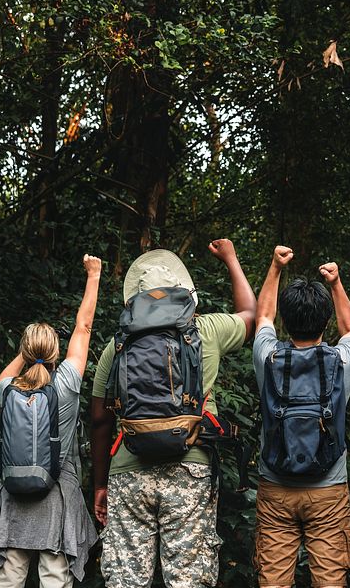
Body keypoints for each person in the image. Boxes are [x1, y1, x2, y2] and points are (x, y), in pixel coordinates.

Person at [90, 240, 256, 588]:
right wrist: (231, 259)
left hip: (128, 470)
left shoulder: (116, 344)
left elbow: (100, 419)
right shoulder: (206, 330)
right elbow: (251, 317)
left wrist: (101, 483)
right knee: (188, 580)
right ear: (184, 294)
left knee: (126, 581)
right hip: (190, 467)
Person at [0, 253, 103, 588]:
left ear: (25, 351)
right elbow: (84, 326)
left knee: (7, 580)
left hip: (13, 499)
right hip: (57, 499)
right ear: (55, 354)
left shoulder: (8, 390)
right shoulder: (65, 384)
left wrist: (27, 350)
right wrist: (94, 275)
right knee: (54, 580)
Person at [252, 245, 350, 588]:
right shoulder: (342, 360)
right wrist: (336, 283)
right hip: (328, 489)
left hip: (275, 486)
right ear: (325, 322)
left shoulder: (267, 356)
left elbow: (262, 317)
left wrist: (275, 266)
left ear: (285, 321)